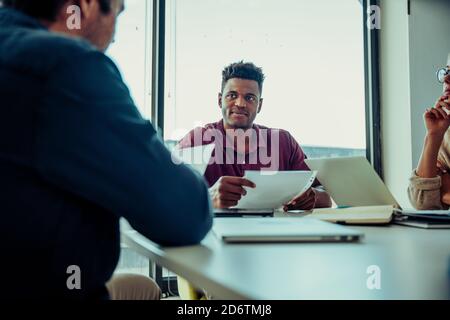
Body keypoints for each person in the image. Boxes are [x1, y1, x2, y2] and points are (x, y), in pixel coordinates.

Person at [0, 0, 212, 300]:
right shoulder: (65, 65)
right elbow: (185, 212)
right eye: (116, 13)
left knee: (145, 290)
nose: (115, 36)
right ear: (84, 6)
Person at [178, 61, 332, 210]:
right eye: (232, 95)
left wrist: (311, 197)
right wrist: (210, 197)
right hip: (215, 232)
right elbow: (168, 195)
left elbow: (325, 197)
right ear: (220, 100)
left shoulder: (284, 142)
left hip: (272, 232)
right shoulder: (197, 140)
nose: (240, 104)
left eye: (250, 98)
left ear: (260, 105)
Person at [408, 61, 450, 210]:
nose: (446, 79)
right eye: (447, 71)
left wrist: (443, 191)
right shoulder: (447, 136)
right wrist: (433, 135)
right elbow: (422, 201)